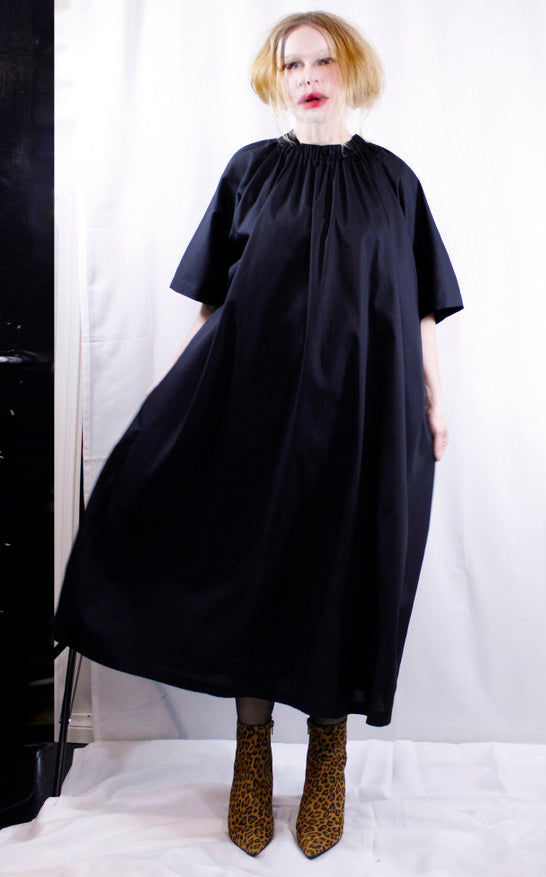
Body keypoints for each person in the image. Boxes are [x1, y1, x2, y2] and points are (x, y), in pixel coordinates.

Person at [54, 10, 463, 860]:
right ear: (275, 78)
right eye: (291, 64)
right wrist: (172, 390)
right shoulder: (251, 169)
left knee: (341, 570)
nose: (307, 75)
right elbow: (214, 300)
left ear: (352, 70)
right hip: (254, 407)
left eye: (323, 60)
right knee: (256, 565)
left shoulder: (394, 180)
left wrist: (432, 395)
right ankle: (251, 754)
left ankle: (326, 758)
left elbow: (420, 299)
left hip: (362, 411)